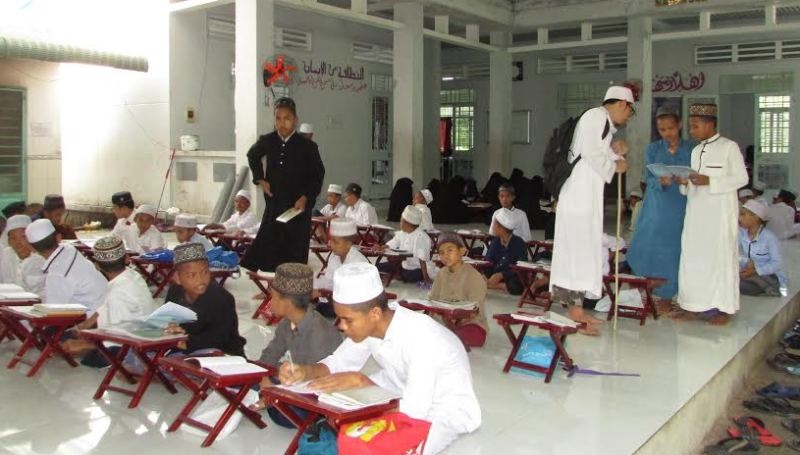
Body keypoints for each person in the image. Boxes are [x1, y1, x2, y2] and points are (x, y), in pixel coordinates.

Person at [278, 263, 481, 455]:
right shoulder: (372, 324)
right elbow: (338, 362)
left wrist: (366, 387)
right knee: (333, 410)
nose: (341, 326)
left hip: (441, 410)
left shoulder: (423, 339)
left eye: (347, 320)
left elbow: (415, 410)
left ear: (374, 313)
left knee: (386, 447)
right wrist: (304, 371)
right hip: (394, 392)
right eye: (339, 318)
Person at [550, 85, 633, 327]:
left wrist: (617, 153)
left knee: (582, 252)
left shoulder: (602, 122)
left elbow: (598, 153)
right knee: (578, 253)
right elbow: (592, 154)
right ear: (622, 104)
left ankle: (576, 307)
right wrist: (615, 166)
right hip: (578, 198)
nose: (627, 117)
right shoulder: (596, 116)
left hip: (584, 198)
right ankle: (575, 310)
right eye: (629, 112)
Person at [673, 103, 749, 325]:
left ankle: (723, 308)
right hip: (696, 214)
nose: (691, 131)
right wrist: (685, 182)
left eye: (695, 126)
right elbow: (693, 184)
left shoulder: (729, 147)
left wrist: (711, 181)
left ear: (709, 125)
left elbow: (741, 179)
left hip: (719, 216)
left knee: (720, 259)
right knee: (693, 258)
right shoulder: (696, 151)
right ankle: (692, 305)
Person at [251, 263, 342, 425]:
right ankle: (269, 397)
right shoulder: (288, 322)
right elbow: (271, 354)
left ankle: (271, 401)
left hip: (317, 393)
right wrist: (263, 376)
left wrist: (271, 389)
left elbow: (312, 384)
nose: (270, 302)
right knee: (247, 378)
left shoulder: (319, 334)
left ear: (288, 302)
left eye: (273, 296)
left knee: (284, 416)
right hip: (292, 378)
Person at [242, 97, 325, 272]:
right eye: (278, 118)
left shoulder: (307, 147)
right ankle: (271, 287)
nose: (282, 123)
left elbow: (317, 175)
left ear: (295, 120)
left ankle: (291, 290)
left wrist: (306, 197)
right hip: (275, 204)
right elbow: (252, 155)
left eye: (286, 118)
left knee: (293, 251)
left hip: (297, 208)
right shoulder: (268, 140)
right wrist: (260, 179)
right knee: (269, 247)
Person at [625, 107, 693, 307]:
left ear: (679, 125)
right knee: (646, 245)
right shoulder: (654, 149)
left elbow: (698, 175)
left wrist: (686, 180)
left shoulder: (692, 148)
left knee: (673, 249)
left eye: (671, 128)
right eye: (662, 130)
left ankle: (668, 294)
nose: (667, 133)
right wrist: (660, 181)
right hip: (656, 204)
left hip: (680, 204)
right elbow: (649, 177)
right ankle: (646, 285)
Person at [63, 235, 157, 364]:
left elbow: (118, 338)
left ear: (96, 265)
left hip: (128, 346)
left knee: (88, 360)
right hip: (138, 334)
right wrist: (84, 326)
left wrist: (85, 344)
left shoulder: (118, 292)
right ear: (126, 259)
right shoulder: (132, 276)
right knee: (66, 336)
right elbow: (105, 307)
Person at [163, 243, 246, 355]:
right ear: (177, 278)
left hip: (221, 353)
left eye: (205, 272)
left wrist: (187, 342)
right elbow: (170, 320)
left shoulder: (222, 299)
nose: (200, 279)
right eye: (192, 275)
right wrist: (173, 329)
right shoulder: (174, 292)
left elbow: (219, 337)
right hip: (185, 347)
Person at [24, 219, 107, 315]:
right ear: (59, 237)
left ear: (32, 248)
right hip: (103, 307)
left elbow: (54, 313)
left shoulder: (57, 273)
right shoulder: (69, 250)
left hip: (94, 319)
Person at [429, 232, 488, 348]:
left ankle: (448, 336)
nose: (445, 255)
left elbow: (474, 311)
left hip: (469, 323)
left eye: (450, 250)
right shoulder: (441, 274)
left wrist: (453, 324)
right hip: (444, 321)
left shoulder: (474, 276)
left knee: (468, 336)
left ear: (462, 251)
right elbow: (432, 300)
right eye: (441, 252)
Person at [738, 199, 785, 296]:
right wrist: (747, 262)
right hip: (746, 272)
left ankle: (768, 285)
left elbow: (777, 263)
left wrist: (757, 270)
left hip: (768, 275)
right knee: (730, 281)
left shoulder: (769, 237)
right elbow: (734, 253)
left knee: (738, 285)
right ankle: (764, 286)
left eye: (743, 215)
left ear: (756, 217)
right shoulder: (741, 233)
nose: (739, 218)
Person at [377, 206, 432, 284]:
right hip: (402, 265)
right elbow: (394, 242)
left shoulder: (421, 237)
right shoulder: (402, 233)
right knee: (378, 267)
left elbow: (422, 259)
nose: (400, 223)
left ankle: (397, 275)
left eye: (401, 220)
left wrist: (426, 277)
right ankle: (396, 275)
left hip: (417, 269)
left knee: (407, 276)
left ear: (408, 223)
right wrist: (382, 247)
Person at [313, 218, 368, 292]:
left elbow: (352, 292)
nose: (331, 244)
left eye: (335, 242)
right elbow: (329, 282)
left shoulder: (358, 262)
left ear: (348, 244)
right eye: (331, 240)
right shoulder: (333, 256)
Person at [0, 215, 45, 298]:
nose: (18, 242)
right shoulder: (4, 256)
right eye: (13, 238)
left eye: (23, 237)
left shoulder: (42, 258)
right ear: (8, 241)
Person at [485, 208, 528, 295]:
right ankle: (496, 285)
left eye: (494, 224)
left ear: (502, 228)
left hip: (510, 276)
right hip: (494, 274)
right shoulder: (495, 241)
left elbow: (521, 267)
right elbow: (488, 261)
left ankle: (498, 285)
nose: (492, 227)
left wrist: (502, 275)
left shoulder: (519, 243)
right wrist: (484, 273)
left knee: (515, 285)